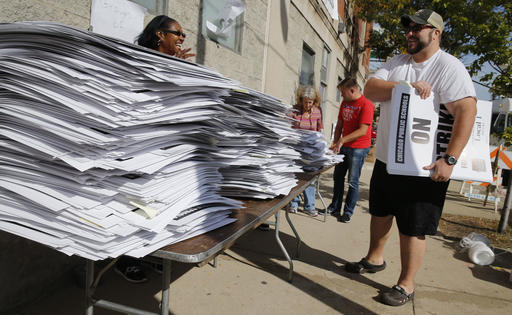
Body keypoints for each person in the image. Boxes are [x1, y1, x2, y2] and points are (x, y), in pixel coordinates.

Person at [344, 9, 477, 307]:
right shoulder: (398, 63)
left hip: (423, 167)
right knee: (380, 213)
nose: (411, 33)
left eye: (419, 28)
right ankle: (374, 259)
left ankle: (406, 284)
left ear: (436, 33)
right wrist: (404, 87)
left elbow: (466, 111)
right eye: (409, 28)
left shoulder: (449, 67)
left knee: (414, 226)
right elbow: (371, 89)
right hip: (388, 161)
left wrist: (450, 160)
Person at [114, 15, 195, 283]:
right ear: (160, 35)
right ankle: (124, 258)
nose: (181, 38)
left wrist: (179, 69)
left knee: (158, 202)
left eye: (183, 34)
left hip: (164, 147)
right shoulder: (139, 59)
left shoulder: (171, 62)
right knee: (133, 203)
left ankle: (149, 251)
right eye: (177, 33)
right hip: (138, 147)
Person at [327, 78, 374, 223]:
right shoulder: (345, 103)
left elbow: (363, 130)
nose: (341, 96)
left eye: (343, 92)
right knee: (338, 177)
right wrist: (335, 142)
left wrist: (342, 140)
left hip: (358, 148)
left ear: (352, 90)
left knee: (352, 181)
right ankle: (334, 207)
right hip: (343, 146)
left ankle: (347, 212)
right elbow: (340, 123)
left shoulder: (367, 105)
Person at [289, 85, 323, 216]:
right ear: (301, 99)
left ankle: (309, 207)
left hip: (312, 150)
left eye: (310, 102)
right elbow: (287, 126)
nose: (307, 105)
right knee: (295, 176)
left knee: (310, 177)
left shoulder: (317, 111)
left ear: (314, 101)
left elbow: (320, 130)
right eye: (305, 101)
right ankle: (293, 203)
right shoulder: (294, 110)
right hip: (296, 148)